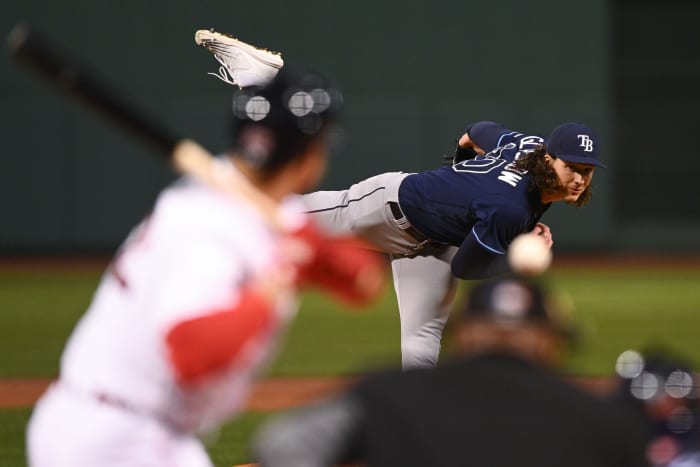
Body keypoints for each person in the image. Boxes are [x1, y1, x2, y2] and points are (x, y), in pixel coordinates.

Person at [26, 64, 385, 467]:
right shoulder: (204, 226)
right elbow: (193, 353)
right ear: (308, 154)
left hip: (152, 434)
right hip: (108, 441)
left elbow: (363, 282)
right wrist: (278, 281)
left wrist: (314, 250)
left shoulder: (266, 207)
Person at [195, 29, 606, 369]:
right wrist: (519, 248)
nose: (579, 181)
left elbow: (477, 131)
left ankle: (418, 438)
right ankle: (264, 82)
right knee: (278, 215)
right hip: (389, 208)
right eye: (572, 168)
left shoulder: (527, 147)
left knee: (423, 343)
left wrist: (461, 169)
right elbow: (468, 267)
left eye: (586, 173)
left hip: (433, 244)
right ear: (549, 159)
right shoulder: (509, 207)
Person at [252, 275, 650, 467]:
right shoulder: (600, 420)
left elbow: (281, 447)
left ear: (463, 335)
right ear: (550, 342)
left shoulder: (388, 394)